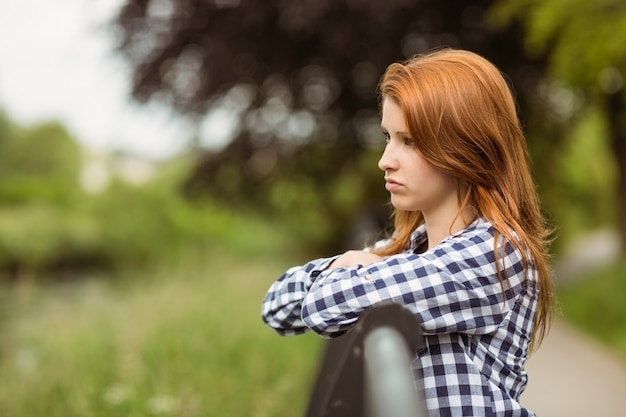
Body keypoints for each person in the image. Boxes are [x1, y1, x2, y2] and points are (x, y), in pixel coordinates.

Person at [261, 48, 554, 417]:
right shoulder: (411, 255)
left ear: (465, 145)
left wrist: (355, 267)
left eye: (409, 141)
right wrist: (345, 262)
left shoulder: (495, 254)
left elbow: (323, 306)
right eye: (388, 136)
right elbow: (276, 307)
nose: (385, 160)